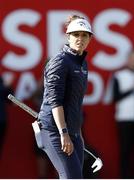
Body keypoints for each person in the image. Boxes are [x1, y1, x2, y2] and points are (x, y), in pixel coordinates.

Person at [37, 14, 93, 179]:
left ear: (90, 39)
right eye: (76, 34)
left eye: (84, 35)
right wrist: (63, 133)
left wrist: (78, 132)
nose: (80, 39)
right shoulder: (60, 62)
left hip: (73, 131)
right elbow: (56, 101)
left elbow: (76, 102)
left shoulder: (82, 63)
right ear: (68, 36)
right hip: (54, 130)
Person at [107, 49, 134, 178]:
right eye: (133, 58)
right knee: (125, 151)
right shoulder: (119, 75)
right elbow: (114, 97)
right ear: (128, 59)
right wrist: (131, 90)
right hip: (124, 119)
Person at [0, 73, 14, 159]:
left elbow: (10, 100)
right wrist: (5, 86)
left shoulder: (1, 80)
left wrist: (8, 87)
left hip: (1, 121)